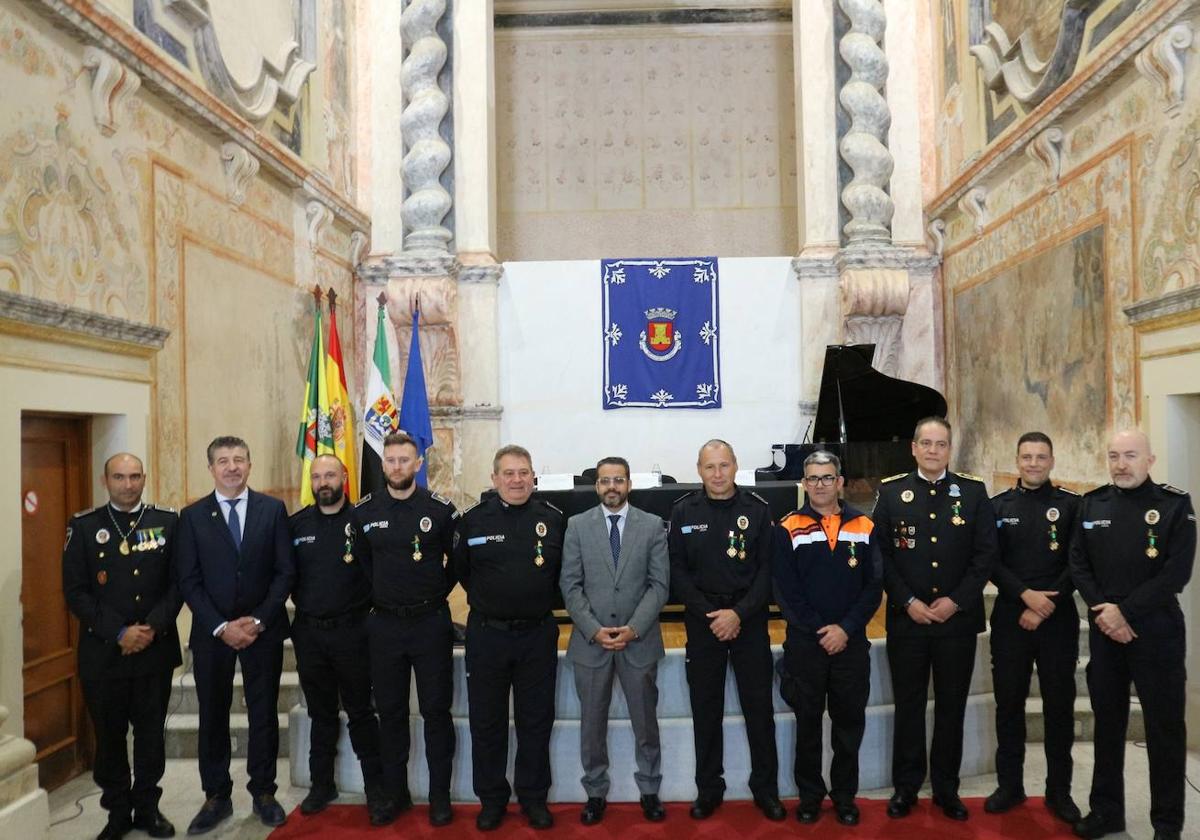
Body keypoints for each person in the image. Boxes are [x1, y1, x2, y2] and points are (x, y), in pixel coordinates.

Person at [1070, 429, 1194, 840]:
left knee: (1164, 729)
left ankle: (1167, 824)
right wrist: (1106, 613)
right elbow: (1079, 565)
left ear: (1150, 460)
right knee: (1107, 725)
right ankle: (1107, 812)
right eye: (1114, 456)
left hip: (1157, 631)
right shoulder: (1091, 504)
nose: (1121, 464)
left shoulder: (1175, 505)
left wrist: (1124, 611)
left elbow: (1177, 573)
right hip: (1106, 630)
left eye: (1130, 455)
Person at [873, 417, 997, 821]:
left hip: (956, 623)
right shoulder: (891, 493)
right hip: (908, 621)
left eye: (940, 444)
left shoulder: (974, 493)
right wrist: (907, 599)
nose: (932, 450)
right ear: (913, 448)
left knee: (951, 707)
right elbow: (882, 556)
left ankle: (946, 788)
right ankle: (906, 788)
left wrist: (956, 601)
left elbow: (985, 557)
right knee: (908, 706)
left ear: (949, 449)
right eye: (925, 443)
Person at [175, 436, 294, 834]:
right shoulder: (191, 517)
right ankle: (216, 796)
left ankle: (263, 792)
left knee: (263, 713)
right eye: (223, 461)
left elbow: (285, 573)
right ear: (210, 468)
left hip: (264, 630)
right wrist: (221, 626)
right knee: (213, 714)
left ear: (249, 465)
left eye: (239, 460)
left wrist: (258, 621)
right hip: (213, 635)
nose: (232, 467)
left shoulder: (273, 510)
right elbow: (188, 580)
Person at [62, 453, 181, 840]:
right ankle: (117, 812)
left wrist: (150, 628)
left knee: (150, 737)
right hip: (104, 656)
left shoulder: (166, 522)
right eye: (119, 477)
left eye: (134, 476)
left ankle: (148, 808)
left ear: (144, 477)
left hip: (154, 651)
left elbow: (179, 583)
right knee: (109, 738)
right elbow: (76, 592)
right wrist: (119, 632)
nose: (128, 484)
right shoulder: (83, 527)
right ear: (105, 480)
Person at [668, 439, 786, 822]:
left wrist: (736, 614)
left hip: (749, 622)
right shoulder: (683, 511)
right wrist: (712, 615)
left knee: (759, 710)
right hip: (704, 625)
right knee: (706, 710)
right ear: (699, 470)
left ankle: (766, 790)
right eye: (709, 467)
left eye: (724, 465)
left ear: (735, 466)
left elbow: (769, 571)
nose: (717, 474)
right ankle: (709, 789)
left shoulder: (758, 510)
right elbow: (677, 572)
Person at [452, 445, 565, 831]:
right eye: (509, 473)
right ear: (494, 478)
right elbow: (463, 573)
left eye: (524, 473)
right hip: (488, 636)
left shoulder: (553, 520)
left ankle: (533, 798)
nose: (517, 480)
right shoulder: (472, 521)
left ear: (533, 476)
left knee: (536, 721)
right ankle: (492, 799)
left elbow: (561, 577)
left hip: (537, 635)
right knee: (488, 721)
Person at [354, 433, 458, 827]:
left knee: (436, 712)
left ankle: (439, 796)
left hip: (430, 624)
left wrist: (433, 594)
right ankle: (395, 794)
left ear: (418, 465)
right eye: (391, 460)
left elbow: (457, 562)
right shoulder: (364, 512)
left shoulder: (441, 511)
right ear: (383, 465)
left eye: (405, 460)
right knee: (392, 713)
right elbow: (362, 564)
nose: (397, 467)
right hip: (384, 627)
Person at [773, 450, 881, 826]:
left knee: (849, 724)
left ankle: (844, 796)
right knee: (807, 724)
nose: (820, 484)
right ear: (804, 484)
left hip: (850, 645)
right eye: (813, 478)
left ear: (840, 482)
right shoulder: (787, 527)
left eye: (827, 477)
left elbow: (873, 586)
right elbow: (785, 591)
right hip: (806, 646)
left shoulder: (864, 526)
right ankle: (810, 796)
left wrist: (845, 629)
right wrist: (820, 630)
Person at [560, 456, 670, 825]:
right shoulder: (576, 526)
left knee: (646, 723)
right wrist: (593, 629)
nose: (612, 487)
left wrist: (633, 627)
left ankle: (650, 790)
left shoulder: (653, 526)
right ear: (596, 485)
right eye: (605, 480)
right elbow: (569, 585)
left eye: (618, 480)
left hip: (638, 642)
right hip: (591, 644)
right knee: (592, 727)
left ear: (629, 484)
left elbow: (659, 586)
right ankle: (594, 792)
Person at [985, 432, 1082, 825]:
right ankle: (1010, 786)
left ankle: (1060, 792)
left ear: (1052, 461)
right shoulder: (997, 507)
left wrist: (1045, 605)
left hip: (1058, 621)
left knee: (1059, 708)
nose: (1034, 463)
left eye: (1041, 457)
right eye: (1027, 456)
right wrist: (1026, 596)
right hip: (1011, 619)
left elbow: (1078, 562)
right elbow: (989, 561)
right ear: (1017, 460)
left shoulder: (1073, 506)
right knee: (1009, 706)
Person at [288, 454, 385, 822]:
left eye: (330, 474)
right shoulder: (296, 525)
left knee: (361, 711)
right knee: (320, 712)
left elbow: (377, 575)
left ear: (344, 476)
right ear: (311, 482)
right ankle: (321, 784)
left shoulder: (362, 522)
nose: (324, 481)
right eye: (317, 476)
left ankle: (376, 789)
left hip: (354, 632)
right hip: (310, 633)